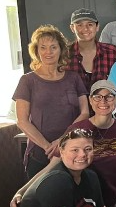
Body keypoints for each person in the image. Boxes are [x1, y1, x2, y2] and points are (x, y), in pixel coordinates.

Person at [10, 80, 116, 207]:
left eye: (109, 97)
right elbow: (53, 164)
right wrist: (22, 190)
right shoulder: (77, 129)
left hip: (115, 196)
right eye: (97, 97)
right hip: (83, 200)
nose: (103, 102)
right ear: (91, 100)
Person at [7, 128, 116, 207]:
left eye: (88, 149)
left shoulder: (91, 176)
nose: (82, 154)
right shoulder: (58, 179)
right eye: (75, 150)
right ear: (61, 152)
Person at [13, 24, 89, 178]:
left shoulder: (73, 78)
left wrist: (62, 142)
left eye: (53, 47)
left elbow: (85, 113)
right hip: (41, 154)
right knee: (40, 199)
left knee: (74, 199)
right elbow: (22, 121)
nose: (48, 52)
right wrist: (48, 147)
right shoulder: (27, 80)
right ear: (36, 51)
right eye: (43, 47)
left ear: (61, 50)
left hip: (74, 151)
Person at [64, 8, 116, 92]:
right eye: (80, 25)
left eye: (90, 24)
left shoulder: (112, 52)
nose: (85, 29)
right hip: (73, 105)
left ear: (97, 27)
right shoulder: (64, 53)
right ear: (72, 28)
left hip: (106, 104)